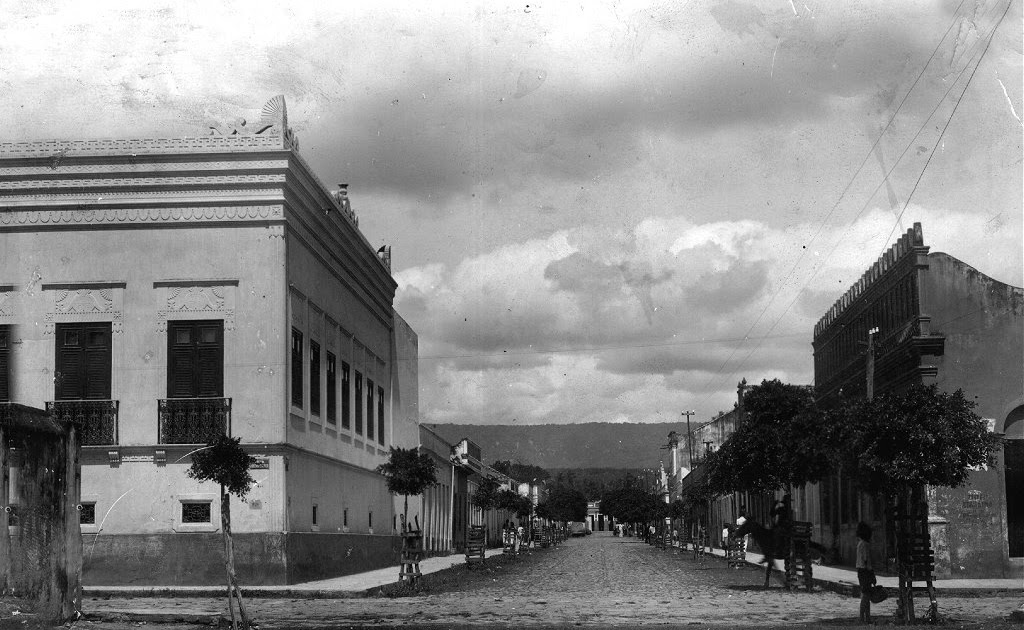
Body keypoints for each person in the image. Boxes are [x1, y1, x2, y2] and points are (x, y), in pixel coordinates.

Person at [856, 521, 876, 623]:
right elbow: (866, 561)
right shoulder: (865, 545)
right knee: (865, 595)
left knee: (866, 595)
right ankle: (861, 618)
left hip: (860, 571)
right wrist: (872, 575)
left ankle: (866, 618)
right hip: (865, 571)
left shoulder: (860, 544)